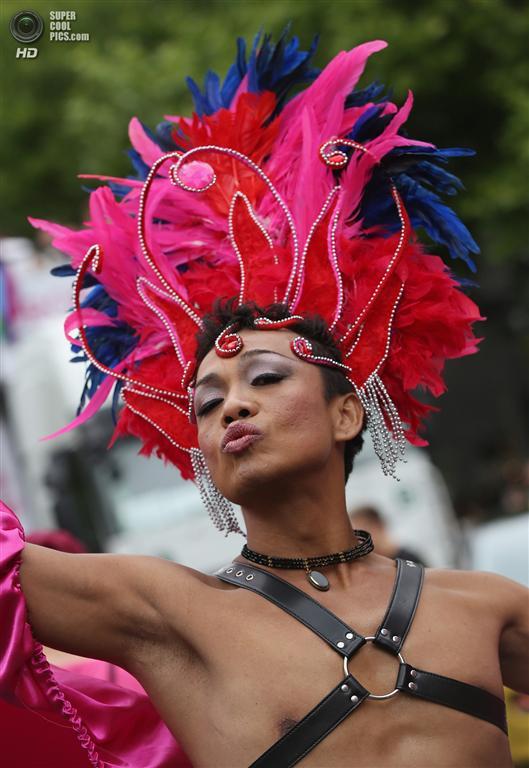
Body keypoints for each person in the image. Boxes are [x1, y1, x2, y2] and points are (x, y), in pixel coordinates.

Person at [2, 31, 528, 768]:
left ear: (348, 412)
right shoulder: (167, 615)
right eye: (207, 404)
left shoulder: (488, 607)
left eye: (266, 379)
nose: (230, 408)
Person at [349, 504, 427, 565]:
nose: (358, 541)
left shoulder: (411, 562)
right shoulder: (370, 565)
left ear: (378, 526)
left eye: (362, 533)